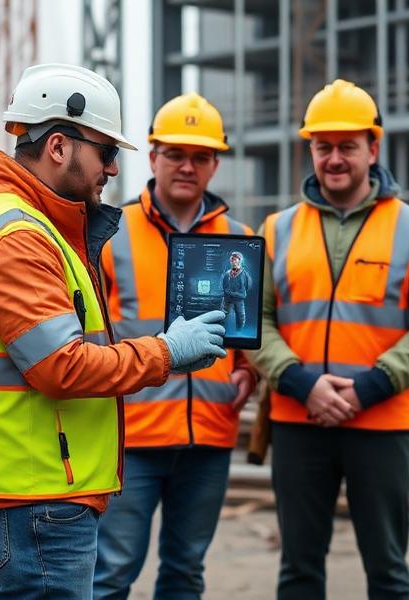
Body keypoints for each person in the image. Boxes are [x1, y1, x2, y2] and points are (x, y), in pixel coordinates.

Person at [0, 64, 227, 599]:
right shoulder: (18, 238)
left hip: (30, 482)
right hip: (31, 491)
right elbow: (60, 366)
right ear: (59, 146)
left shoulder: (33, 226)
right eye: (105, 151)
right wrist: (165, 352)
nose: (112, 168)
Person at [250, 79, 409, 600]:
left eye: (347, 146)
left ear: (373, 148)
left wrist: (370, 387)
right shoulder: (277, 230)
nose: (335, 158)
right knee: (298, 569)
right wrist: (300, 382)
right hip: (297, 420)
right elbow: (252, 320)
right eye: (323, 147)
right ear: (311, 150)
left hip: (381, 422)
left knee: (387, 569)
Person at [93, 93, 257, 600]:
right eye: (175, 154)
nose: (187, 166)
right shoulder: (109, 232)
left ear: (215, 165)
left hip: (208, 438)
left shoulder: (240, 238)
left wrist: (249, 370)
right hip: (131, 437)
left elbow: (250, 330)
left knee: (185, 573)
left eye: (200, 156)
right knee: (110, 573)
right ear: (152, 157)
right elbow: (89, 332)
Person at [221, 250, 252, 330]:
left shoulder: (244, 274)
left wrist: (238, 293)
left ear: (239, 260)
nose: (233, 261)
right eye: (232, 259)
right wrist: (227, 293)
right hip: (227, 299)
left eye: (235, 259)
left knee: (240, 317)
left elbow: (247, 286)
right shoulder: (227, 273)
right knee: (223, 315)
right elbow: (224, 285)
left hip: (239, 299)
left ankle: (239, 332)